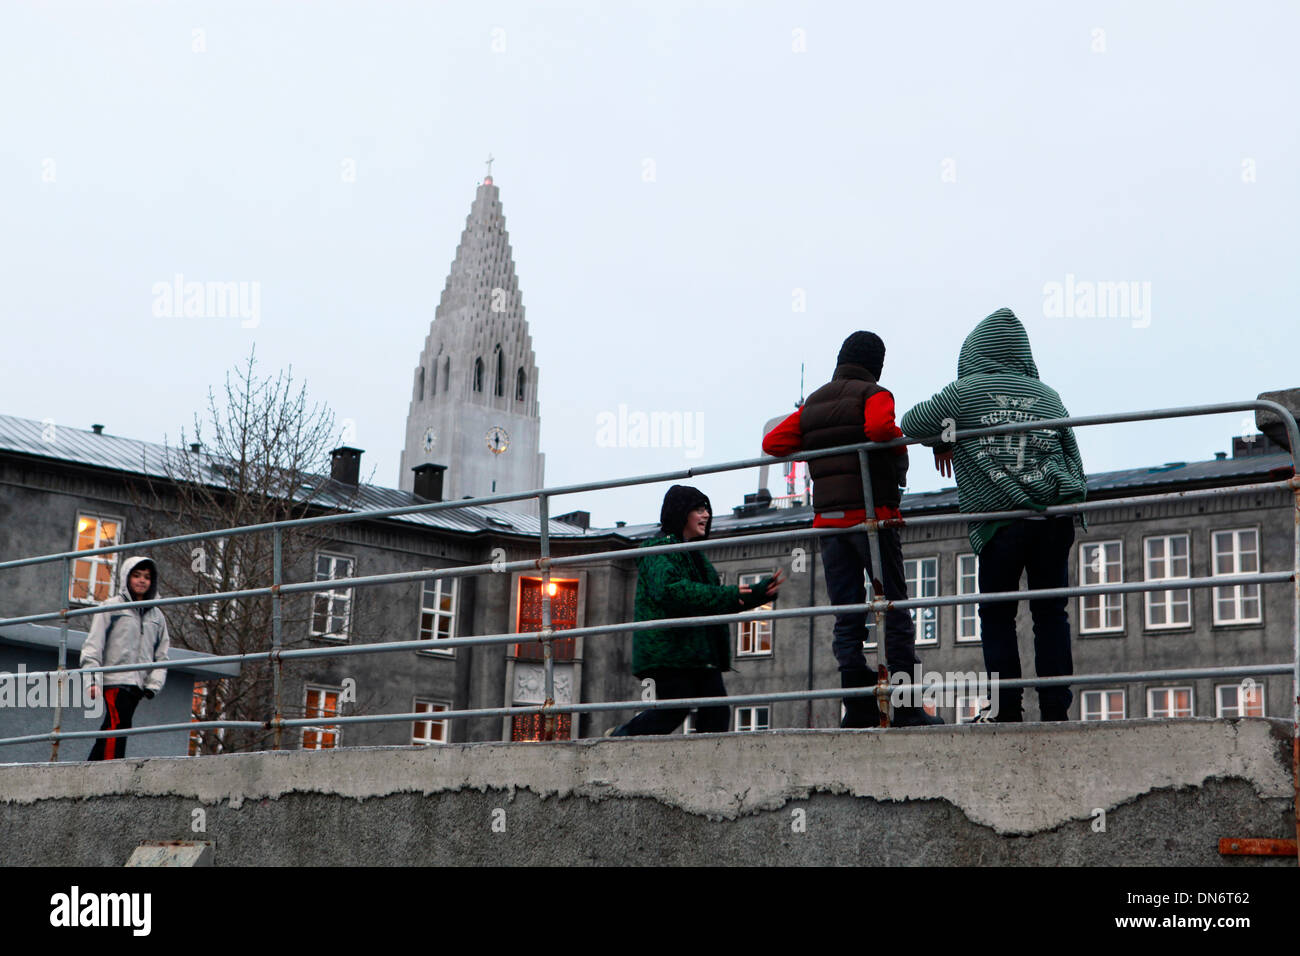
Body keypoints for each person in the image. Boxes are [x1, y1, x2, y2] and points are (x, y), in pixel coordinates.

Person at [900, 308, 1086, 722]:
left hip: (1001, 524)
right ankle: (1056, 711)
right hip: (1053, 521)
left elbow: (912, 422)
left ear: (975, 353)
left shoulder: (964, 393)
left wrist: (943, 438)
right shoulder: (1049, 396)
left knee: (998, 617)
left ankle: (1007, 711)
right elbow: (1072, 454)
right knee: (1051, 615)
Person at [763, 331, 943, 728]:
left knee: (847, 615)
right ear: (876, 364)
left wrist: (816, 440)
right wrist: (899, 444)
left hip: (829, 523)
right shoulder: (875, 394)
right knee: (893, 609)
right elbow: (880, 429)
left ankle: (857, 708)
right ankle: (907, 708)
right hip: (872, 520)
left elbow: (773, 442)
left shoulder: (813, 404)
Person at [610, 485, 783, 736]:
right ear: (681, 513)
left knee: (716, 710)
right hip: (667, 651)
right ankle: (621, 737)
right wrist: (730, 594)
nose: (706, 515)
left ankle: (708, 766)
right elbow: (673, 592)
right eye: (699, 509)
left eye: (707, 510)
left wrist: (758, 593)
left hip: (696, 652)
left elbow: (712, 600)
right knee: (673, 709)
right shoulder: (656, 551)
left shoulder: (696, 557)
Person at [80, 555, 170, 759]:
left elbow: (162, 655)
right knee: (118, 725)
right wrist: (92, 680)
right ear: (127, 577)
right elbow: (93, 646)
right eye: (136, 575)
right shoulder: (111, 607)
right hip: (114, 680)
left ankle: (90, 769)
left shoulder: (157, 616)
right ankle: (112, 771)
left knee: (116, 726)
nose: (141, 580)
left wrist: (153, 684)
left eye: (147, 577)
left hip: (137, 685)